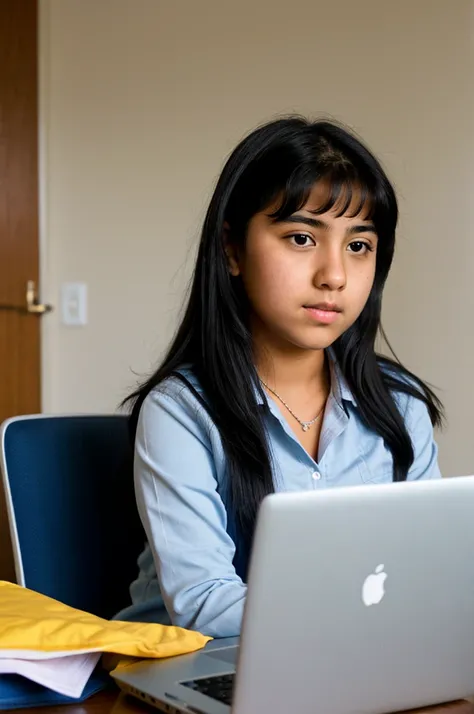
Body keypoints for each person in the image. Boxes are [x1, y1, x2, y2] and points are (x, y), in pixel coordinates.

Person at [116, 116, 444, 638]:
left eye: (359, 246)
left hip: (350, 661)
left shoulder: (399, 407)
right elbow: (203, 602)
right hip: (190, 667)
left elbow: (430, 575)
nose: (334, 275)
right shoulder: (180, 411)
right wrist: (366, 618)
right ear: (231, 249)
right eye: (300, 237)